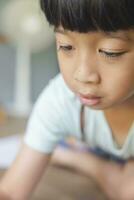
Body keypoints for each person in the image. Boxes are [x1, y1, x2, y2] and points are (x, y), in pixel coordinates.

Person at [0, 0, 134, 199]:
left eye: (110, 52)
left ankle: (75, 158)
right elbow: (11, 191)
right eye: (67, 47)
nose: (83, 75)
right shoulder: (60, 100)